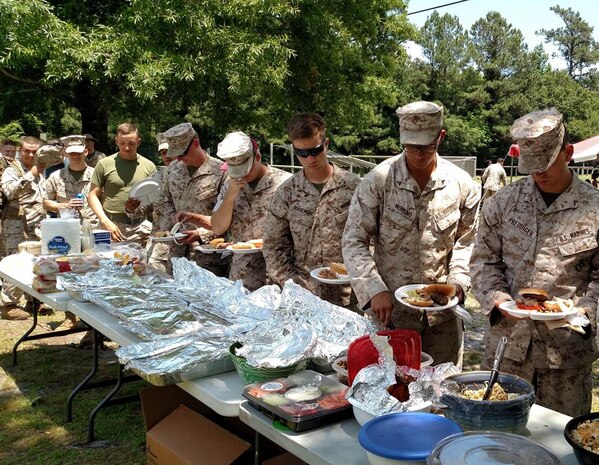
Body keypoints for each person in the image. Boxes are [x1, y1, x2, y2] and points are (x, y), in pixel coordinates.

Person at [470, 108, 599, 417]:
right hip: (508, 349)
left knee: (560, 449)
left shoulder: (594, 208)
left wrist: (587, 310)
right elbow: (484, 261)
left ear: (568, 152)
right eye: (531, 165)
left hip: (565, 356)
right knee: (497, 440)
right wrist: (498, 300)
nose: (538, 172)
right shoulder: (503, 202)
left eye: (547, 162)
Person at [342, 101, 480, 367]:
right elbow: (354, 240)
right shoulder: (379, 181)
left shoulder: (462, 185)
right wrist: (372, 289)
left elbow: (468, 241)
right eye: (411, 145)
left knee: (441, 392)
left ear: (441, 136)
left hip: (443, 318)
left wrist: (459, 284)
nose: (418, 153)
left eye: (427, 145)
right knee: (392, 389)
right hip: (392, 313)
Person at [262, 113, 360, 307]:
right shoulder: (286, 193)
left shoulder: (355, 188)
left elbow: (372, 238)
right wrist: (291, 282)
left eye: (315, 151)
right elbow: (274, 246)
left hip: (350, 294)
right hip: (304, 294)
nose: (310, 159)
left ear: (326, 144)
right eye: (302, 153)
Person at [206, 131, 290, 290]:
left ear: (257, 156)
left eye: (246, 169)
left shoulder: (285, 183)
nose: (243, 175)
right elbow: (217, 227)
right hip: (242, 278)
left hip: (278, 277)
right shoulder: (229, 186)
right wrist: (230, 196)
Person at [160, 123, 228, 276]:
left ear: (196, 143)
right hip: (177, 255)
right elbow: (167, 201)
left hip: (208, 259)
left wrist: (201, 234)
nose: (179, 158)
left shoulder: (221, 172)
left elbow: (229, 217)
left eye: (182, 153)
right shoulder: (172, 170)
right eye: (175, 154)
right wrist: (169, 230)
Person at [0, 137, 48, 320]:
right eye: (27, 150)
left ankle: (33, 300)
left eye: (34, 151)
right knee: (15, 262)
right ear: (20, 150)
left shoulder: (40, 171)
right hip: (16, 223)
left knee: (34, 263)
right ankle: (8, 305)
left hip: (35, 225)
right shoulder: (12, 170)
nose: (30, 154)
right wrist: (31, 174)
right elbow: (10, 191)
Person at [87, 123, 156, 245]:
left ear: (138, 142)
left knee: (141, 263)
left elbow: (154, 199)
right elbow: (92, 195)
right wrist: (104, 220)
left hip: (140, 229)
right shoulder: (104, 164)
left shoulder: (149, 166)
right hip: (110, 226)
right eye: (122, 143)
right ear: (116, 141)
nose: (127, 148)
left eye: (131, 143)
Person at [146, 134, 173, 274]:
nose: (166, 155)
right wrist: (131, 207)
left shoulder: (190, 175)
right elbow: (145, 207)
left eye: (169, 151)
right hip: (158, 246)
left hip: (186, 244)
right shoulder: (155, 179)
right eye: (162, 152)